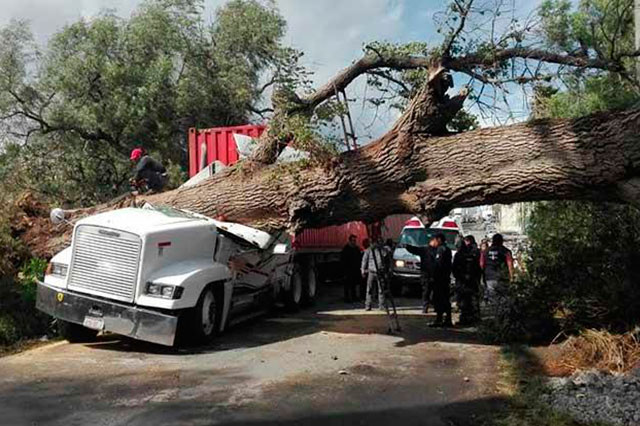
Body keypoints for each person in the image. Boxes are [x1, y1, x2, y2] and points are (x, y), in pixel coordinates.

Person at [405, 235, 439, 315]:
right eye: (436, 241)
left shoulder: (438, 250)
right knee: (426, 291)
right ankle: (425, 307)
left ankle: (435, 307)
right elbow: (414, 250)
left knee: (436, 292)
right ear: (433, 241)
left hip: (435, 274)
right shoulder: (425, 249)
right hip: (426, 275)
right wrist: (406, 246)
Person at [453, 235, 482, 326]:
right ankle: (474, 318)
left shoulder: (459, 255)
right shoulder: (475, 253)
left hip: (463, 282)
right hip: (472, 281)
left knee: (464, 301)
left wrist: (459, 277)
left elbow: (454, 268)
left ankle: (465, 318)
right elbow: (479, 268)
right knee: (472, 300)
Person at [480, 233, 514, 306]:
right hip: (502, 277)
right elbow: (509, 264)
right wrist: (511, 276)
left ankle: (494, 313)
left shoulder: (485, 251)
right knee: (503, 299)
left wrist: (481, 277)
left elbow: (481, 265)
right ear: (501, 241)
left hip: (489, 277)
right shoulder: (506, 251)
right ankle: (503, 314)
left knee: (492, 298)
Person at [361, 238, 387, 311]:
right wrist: (363, 270)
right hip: (371, 272)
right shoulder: (368, 250)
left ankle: (381, 305)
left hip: (380, 272)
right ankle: (368, 305)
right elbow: (364, 260)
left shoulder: (382, 250)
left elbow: (386, 259)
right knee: (369, 289)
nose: (374, 244)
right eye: (373, 243)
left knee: (381, 289)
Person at [433, 233, 453, 327]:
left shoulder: (441, 249)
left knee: (440, 298)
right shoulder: (447, 249)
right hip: (445, 277)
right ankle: (446, 318)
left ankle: (440, 319)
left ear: (439, 240)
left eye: (435, 240)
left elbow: (438, 264)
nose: (434, 242)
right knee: (445, 298)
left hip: (440, 278)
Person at [340, 234, 362, 303]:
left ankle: (354, 297)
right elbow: (343, 261)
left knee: (354, 284)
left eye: (355, 241)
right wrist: (344, 271)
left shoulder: (356, 249)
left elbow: (359, 258)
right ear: (349, 241)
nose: (354, 242)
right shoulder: (345, 249)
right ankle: (347, 298)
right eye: (353, 240)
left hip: (355, 270)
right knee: (347, 285)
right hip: (348, 270)